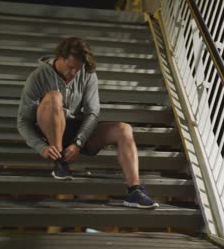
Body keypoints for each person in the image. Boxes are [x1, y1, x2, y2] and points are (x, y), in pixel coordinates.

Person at [17, 37, 159, 209]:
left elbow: (92, 113)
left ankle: (134, 191)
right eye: (71, 67)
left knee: (124, 129)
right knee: (55, 97)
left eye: (78, 69)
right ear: (59, 57)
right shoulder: (38, 76)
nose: (74, 73)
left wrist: (78, 142)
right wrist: (41, 147)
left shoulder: (88, 73)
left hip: (78, 131)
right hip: (50, 132)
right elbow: (24, 122)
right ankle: (60, 162)